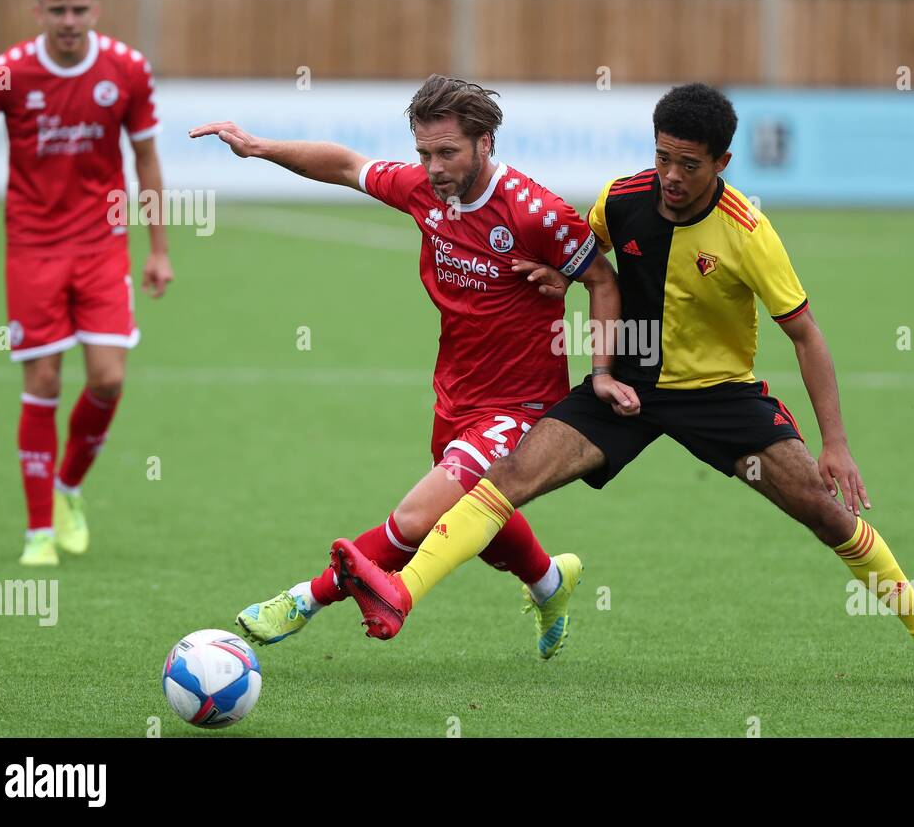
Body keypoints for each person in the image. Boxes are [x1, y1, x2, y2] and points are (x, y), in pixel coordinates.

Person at [327, 83, 914, 689]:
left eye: (689, 164)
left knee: (824, 511)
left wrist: (835, 441)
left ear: (722, 161)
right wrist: (559, 277)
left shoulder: (750, 234)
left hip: (719, 396)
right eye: (663, 157)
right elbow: (590, 259)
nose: (671, 176)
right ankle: (403, 591)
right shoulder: (622, 198)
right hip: (626, 387)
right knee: (504, 477)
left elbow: (806, 335)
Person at [190, 74, 635, 658]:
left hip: (521, 407)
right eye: (424, 153)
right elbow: (348, 165)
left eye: (448, 151)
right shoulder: (424, 190)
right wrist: (260, 147)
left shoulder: (534, 212)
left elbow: (603, 279)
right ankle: (550, 581)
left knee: (417, 517)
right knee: (475, 518)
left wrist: (601, 372)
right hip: (455, 393)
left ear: (486, 142)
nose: (434, 167)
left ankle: (304, 599)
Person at [0, 0, 173, 566]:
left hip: (102, 243)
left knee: (107, 378)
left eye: (80, 10)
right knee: (43, 380)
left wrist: (158, 248)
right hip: (32, 247)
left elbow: (147, 160)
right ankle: (38, 533)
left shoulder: (126, 69)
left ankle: (68, 487)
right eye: (59, 11)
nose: (70, 21)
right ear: (39, 12)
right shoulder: (8, 74)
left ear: (95, 8)